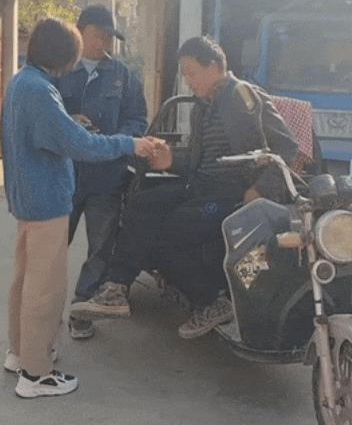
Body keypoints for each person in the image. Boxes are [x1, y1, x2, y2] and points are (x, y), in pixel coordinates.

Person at [69, 36, 299, 340]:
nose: (188, 81)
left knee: (166, 234)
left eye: (191, 72)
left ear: (214, 66)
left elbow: (288, 148)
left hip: (233, 193)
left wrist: (260, 189)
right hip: (201, 187)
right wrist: (171, 160)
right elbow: (199, 159)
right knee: (141, 204)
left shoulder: (244, 96)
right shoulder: (202, 107)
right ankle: (116, 288)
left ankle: (211, 302)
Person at [0, 17, 157, 398]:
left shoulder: (23, 82)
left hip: (27, 199)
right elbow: (80, 145)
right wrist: (130, 144)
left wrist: (68, 123)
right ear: (62, 53)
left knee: (26, 281)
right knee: (46, 289)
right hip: (47, 202)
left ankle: (20, 352)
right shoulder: (41, 90)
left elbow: (47, 133)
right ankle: (36, 374)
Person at [58, 4, 148, 340]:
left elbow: (137, 119)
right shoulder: (59, 71)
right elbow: (45, 116)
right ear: (80, 31)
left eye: (109, 37)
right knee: (53, 245)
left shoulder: (123, 75)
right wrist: (70, 122)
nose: (104, 42)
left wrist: (115, 141)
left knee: (100, 246)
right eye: (98, 35)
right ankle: (46, 308)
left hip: (107, 176)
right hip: (64, 175)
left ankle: (82, 309)